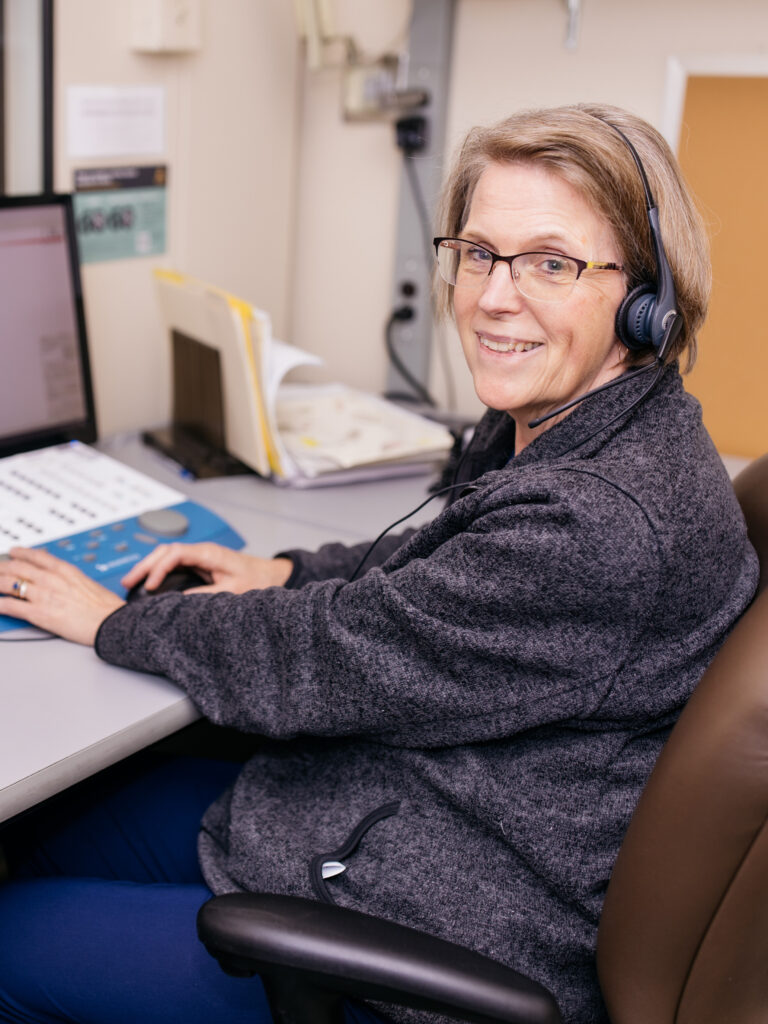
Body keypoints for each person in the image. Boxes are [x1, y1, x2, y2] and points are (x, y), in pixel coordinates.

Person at [0, 102, 758, 1024]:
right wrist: (286, 571)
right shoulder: (601, 426)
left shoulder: (600, 522)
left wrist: (114, 620)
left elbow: (328, 660)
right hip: (407, 814)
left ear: (648, 298)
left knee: (14, 936)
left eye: (551, 264)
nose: (493, 296)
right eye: (478, 253)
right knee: (46, 830)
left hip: (444, 918)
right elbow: (433, 560)